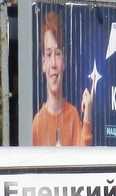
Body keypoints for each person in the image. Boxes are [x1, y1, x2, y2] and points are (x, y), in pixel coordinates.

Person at [31, 10, 93, 147]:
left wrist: (87, 116)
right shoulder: (37, 123)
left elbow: (84, 159)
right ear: (43, 63)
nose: (53, 63)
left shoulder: (73, 115)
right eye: (48, 54)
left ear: (64, 62)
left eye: (57, 54)